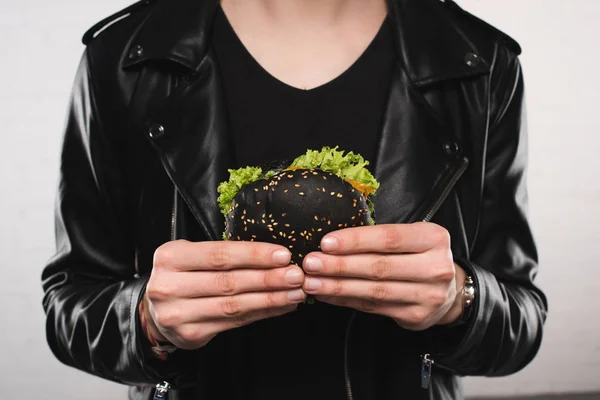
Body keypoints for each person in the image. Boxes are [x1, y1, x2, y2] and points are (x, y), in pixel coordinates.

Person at [41, 0, 548, 399]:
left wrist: (459, 299)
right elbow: (70, 305)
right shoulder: (124, 59)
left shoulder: (478, 64)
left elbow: (521, 321)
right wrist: (147, 320)